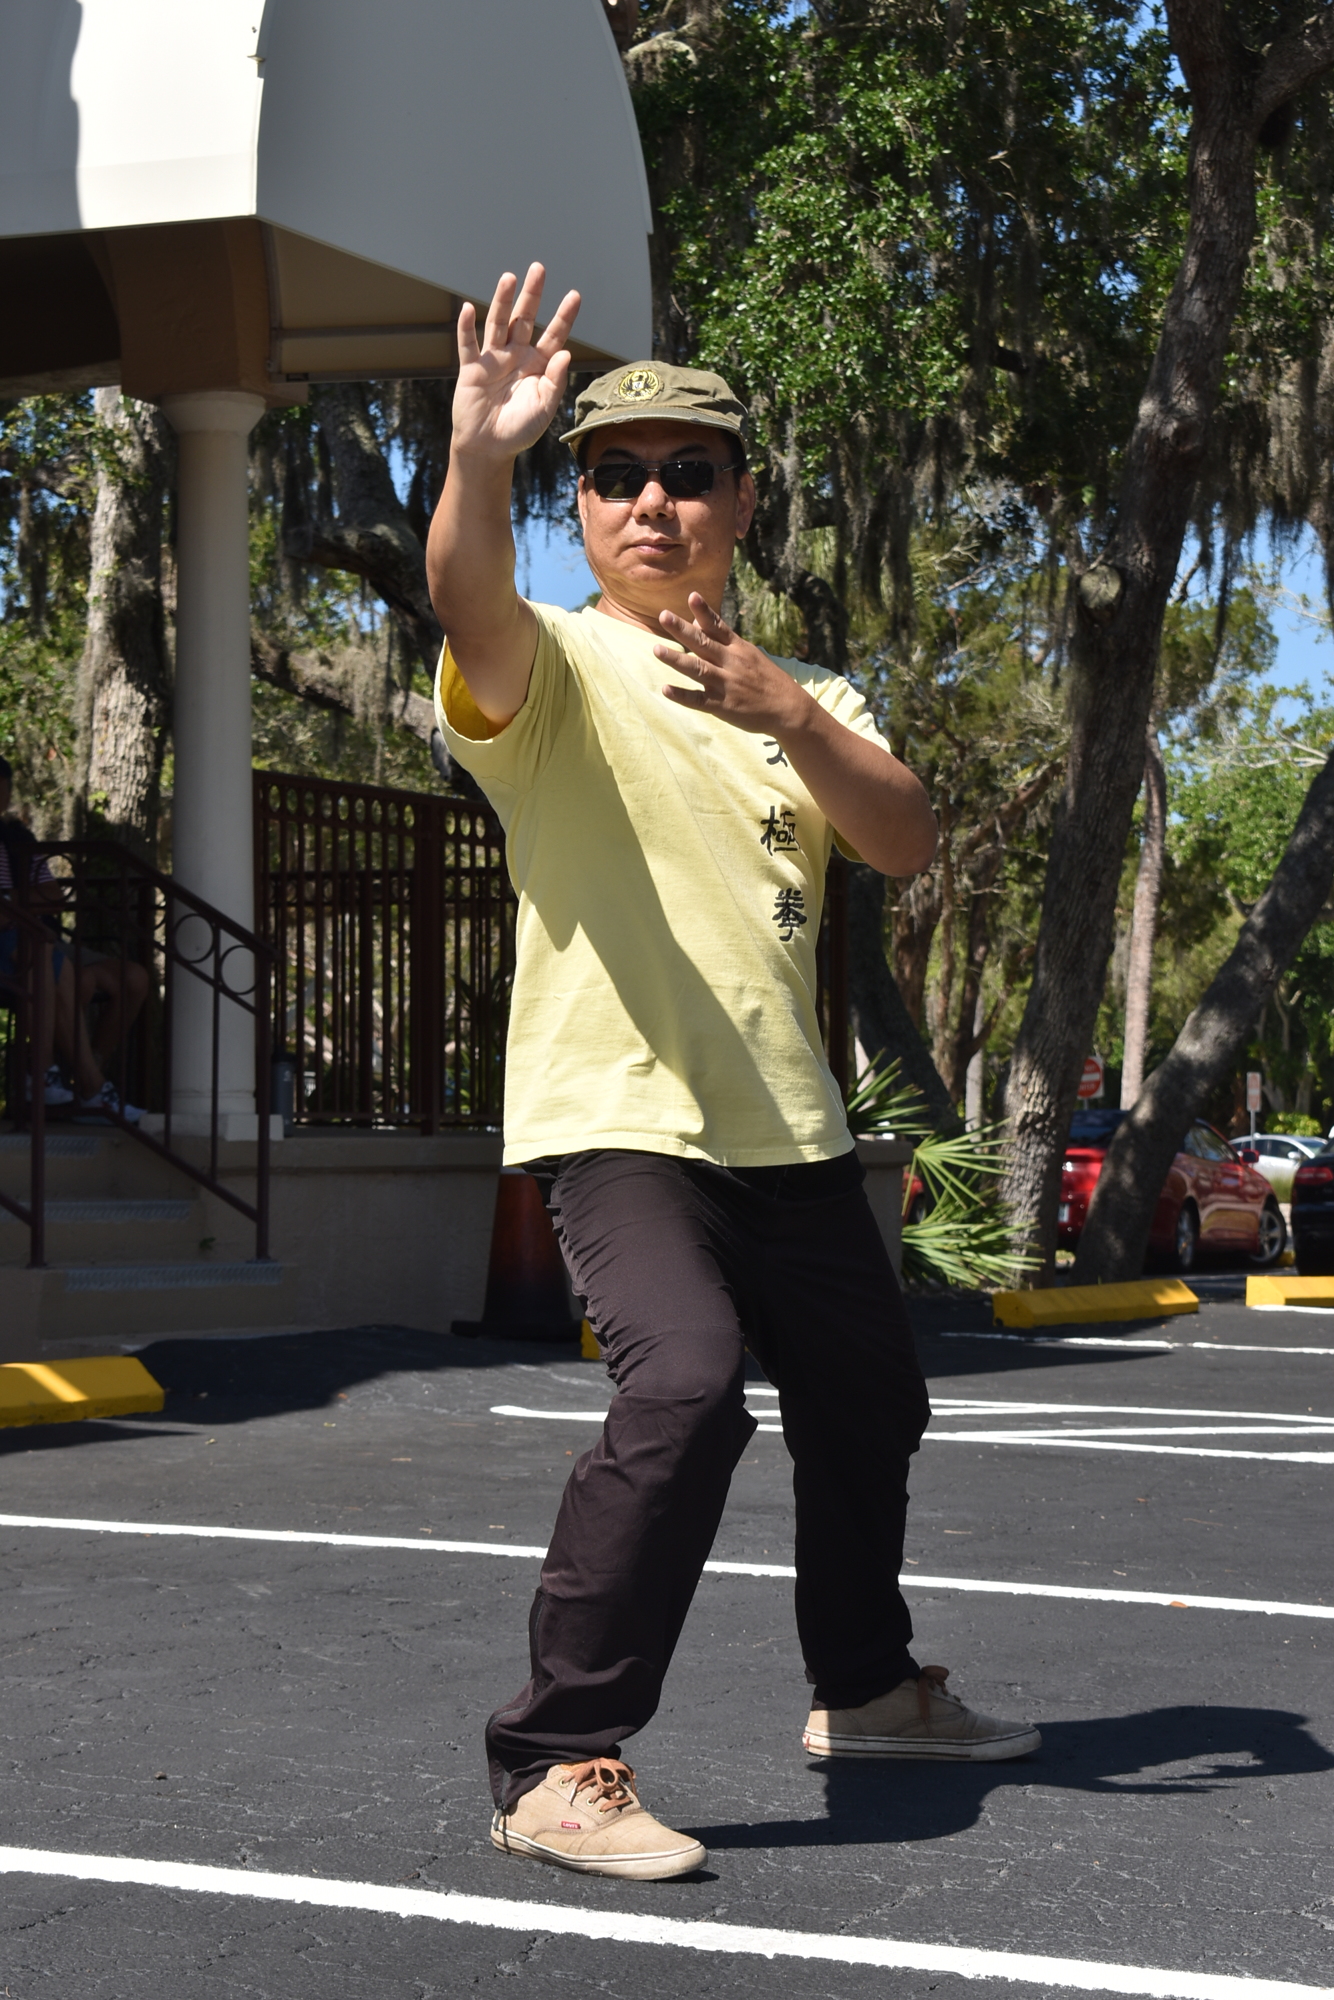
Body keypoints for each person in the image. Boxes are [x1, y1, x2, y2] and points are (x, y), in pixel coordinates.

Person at [426, 267, 1041, 1884]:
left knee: (869, 1399)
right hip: (622, 1120)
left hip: (787, 1133)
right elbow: (464, 601)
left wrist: (787, 711)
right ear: (583, 507)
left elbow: (899, 836)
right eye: (618, 473)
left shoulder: (809, 696)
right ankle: (560, 1761)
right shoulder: (550, 665)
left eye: (689, 474)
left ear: (741, 502)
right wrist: (482, 457)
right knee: (686, 1382)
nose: (654, 500)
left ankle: (867, 1692)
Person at [0, 756, 140, 1121]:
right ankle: (69, 1081)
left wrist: (10, 904)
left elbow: (52, 895)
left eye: (3, 793)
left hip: (29, 934)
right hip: (20, 940)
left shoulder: (15, 839)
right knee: (52, 962)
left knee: (124, 977)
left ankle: (79, 1077)